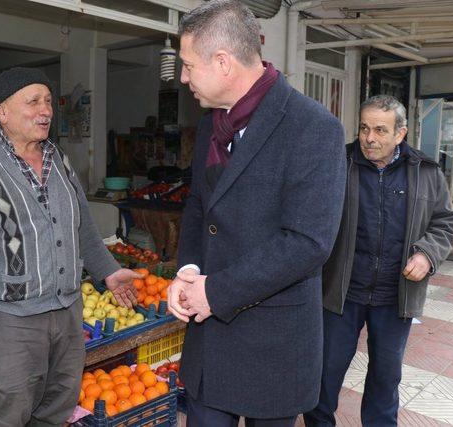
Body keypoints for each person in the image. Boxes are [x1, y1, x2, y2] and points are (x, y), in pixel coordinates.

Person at [166, 1, 347, 425]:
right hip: (209, 346)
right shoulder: (212, 125)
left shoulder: (313, 127)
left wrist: (217, 292)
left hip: (273, 347)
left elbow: (308, 242)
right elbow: (199, 205)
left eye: (189, 65)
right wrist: (188, 270)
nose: (184, 77)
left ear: (224, 62)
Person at [0, 67, 139, 426]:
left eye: (47, 101)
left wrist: (108, 271)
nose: (45, 110)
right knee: (9, 414)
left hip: (66, 313)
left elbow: (83, 226)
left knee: (56, 409)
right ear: (3, 112)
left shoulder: (57, 159)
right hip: (8, 323)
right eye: (33, 102)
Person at [304, 95, 453, 426]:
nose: (369, 138)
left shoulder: (425, 171)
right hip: (340, 293)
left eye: (380, 130)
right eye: (363, 128)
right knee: (323, 375)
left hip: (395, 295)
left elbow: (444, 222)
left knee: (385, 380)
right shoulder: (337, 163)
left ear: (400, 134)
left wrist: (427, 254)